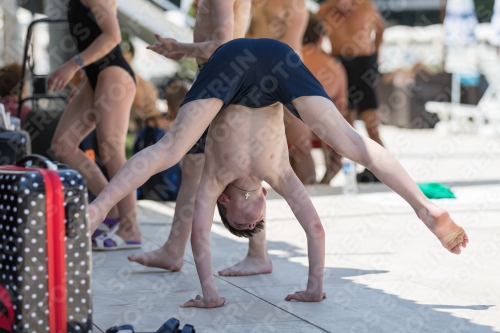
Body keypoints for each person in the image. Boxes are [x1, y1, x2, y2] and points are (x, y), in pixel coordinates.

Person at [89, 37, 468, 308]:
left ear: (225, 201)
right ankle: (424, 208)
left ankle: (98, 208)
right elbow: (315, 229)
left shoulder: (215, 180)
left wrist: (211, 293)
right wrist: (314, 286)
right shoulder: (280, 174)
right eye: (259, 220)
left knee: (171, 149)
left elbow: (200, 236)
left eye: (246, 222)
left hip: (232, 62)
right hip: (277, 59)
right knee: (350, 143)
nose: (257, 215)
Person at [126, 0, 272, 277]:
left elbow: (222, 45)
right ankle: (174, 249)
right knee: (195, 165)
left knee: (242, 169)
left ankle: (258, 253)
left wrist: (179, 48)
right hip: (218, 76)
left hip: (225, 79)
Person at [47, 0, 140, 250]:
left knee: (111, 149)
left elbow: (113, 36)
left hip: (113, 74)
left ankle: (130, 226)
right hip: (95, 78)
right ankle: (110, 211)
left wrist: (73, 64)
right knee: (63, 145)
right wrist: (83, 83)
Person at [246, 0, 317, 184]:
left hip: (287, 70)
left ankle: (312, 199)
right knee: (251, 144)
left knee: (301, 144)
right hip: (258, 70)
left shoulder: (295, 3)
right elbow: (249, 35)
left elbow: (290, 45)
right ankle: (250, 199)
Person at [317, 0, 386, 182]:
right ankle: (346, 171)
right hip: (340, 64)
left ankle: (385, 170)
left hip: (364, 63)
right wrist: (324, 57)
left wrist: (375, 54)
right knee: (346, 124)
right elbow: (311, 36)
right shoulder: (324, 11)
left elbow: (381, 29)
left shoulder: (366, 6)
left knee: (371, 124)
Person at [302, 13, 348, 184]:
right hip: (324, 133)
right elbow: (341, 108)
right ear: (320, 38)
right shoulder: (335, 66)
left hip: (291, 136)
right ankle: (324, 182)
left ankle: (304, 184)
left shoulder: (286, 62)